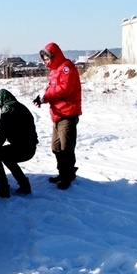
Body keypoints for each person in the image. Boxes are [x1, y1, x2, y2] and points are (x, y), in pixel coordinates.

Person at [33, 42, 82, 190]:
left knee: (66, 147)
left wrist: (47, 93)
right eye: (44, 60)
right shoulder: (54, 71)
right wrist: (42, 98)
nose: (46, 62)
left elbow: (65, 89)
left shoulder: (67, 68)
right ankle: (62, 172)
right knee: (56, 147)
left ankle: (68, 176)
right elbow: (52, 90)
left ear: (53, 56)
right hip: (57, 114)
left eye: (47, 59)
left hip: (68, 113)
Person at [0, 89, 38, 198]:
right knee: (7, 157)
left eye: (0, 106)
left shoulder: (8, 108)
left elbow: (2, 132)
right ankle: (25, 185)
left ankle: (3, 189)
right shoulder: (20, 106)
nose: (0, 109)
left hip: (23, 148)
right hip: (29, 148)